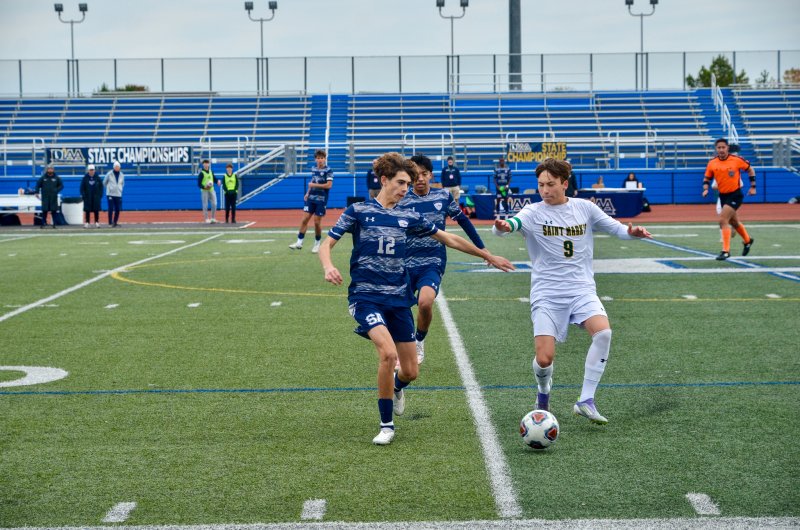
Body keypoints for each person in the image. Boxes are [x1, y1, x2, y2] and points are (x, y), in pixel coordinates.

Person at [318, 152, 514, 445]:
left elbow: (449, 238)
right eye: (401, 182)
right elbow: (327, 244)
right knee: (388, 354)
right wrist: (328, 266)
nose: (405, 189)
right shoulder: (358, 211)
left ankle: (397, 387)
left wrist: (487, 255)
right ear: (384, 180)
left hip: (399, 299)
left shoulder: (408, 216)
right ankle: (387, 425)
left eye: (408, 184)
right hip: (366, 297)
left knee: (410, 371)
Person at [493, 158, 651, 426]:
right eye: (541, 185)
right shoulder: (532, 212)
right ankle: (543, 392)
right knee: (544, 359)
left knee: (604, 333)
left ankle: (586, 400)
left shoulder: (584, 208)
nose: (545, 190)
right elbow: (512, 225)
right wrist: (503, 227)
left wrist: (632, 232)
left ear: (564, 184)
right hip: (547, 293)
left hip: (581, 289)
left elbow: (617, 229)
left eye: (550, 184)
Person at [398, 154, 486, 365]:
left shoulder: (443, 196)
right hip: (404, 261)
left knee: (425, 302)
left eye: (424, 174)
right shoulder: (402, 199)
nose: (420, 179)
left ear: (431, 175)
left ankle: (419, 341)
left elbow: (464, 221)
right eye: (416, 175)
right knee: (399, 308)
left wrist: (481, 248)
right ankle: (405, 345)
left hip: (433, 260)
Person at [702, 138, 756, 260]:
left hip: (735, 195)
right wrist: (705, 189)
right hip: (723, 196)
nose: (721, 149)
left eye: (723, 147)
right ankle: (748, 241)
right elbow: (707, 178)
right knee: (734, 222)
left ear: (727, 148)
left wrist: (753, 186)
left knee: (723, 220)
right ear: (716, 149)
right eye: (719, 147)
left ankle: (726, 251)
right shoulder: (712, 163)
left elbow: (750, 169)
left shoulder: (736, 160)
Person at [289, 149, 333, 253]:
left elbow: (329, 185)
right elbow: (313, 181)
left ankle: (317, 244)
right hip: (311, 198)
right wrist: (307, 193)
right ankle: (299, 242)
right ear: (315, 159)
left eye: (322, 158)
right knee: (304, 219)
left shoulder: (328, 170)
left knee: (317, 222)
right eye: (318, 158)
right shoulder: (313, 168)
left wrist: (314, 185)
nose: (320, 160)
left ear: (325, 159)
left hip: (321, 200)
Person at [35, 164, 63, 229]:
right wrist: (37, 192)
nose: (50, 170)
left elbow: (61, 185)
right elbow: (38, 185)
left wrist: (56, 190)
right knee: (44, 210)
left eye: (51, 169)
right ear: (47, 170)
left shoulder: (57, 178)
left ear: (53, 170)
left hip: (53, 197)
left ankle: (54, 224)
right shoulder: (43, 178)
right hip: (45, 197)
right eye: (49, 169)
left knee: (54, 211)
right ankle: (43, 223)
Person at [80, 164, 103, 228]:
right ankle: (87, 222)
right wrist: (83, 195)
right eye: (90, 170)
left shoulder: (97, 178)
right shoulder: (85, 178)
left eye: (92, 170)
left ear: (94, 170)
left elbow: (101, 187)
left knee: (96, 209)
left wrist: (100, 195)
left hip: (96, 197)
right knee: (87, 210)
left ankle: (96, 222)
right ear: (88, 170)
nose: (91, 171)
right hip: (88, 197)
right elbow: (82, 188)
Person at [197, 159, 219, 224]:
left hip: (211, 190)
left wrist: (217, 181)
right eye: (205, 163)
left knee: (214, 203)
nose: (206, 164)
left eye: (207, 163)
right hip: (204, 191)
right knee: (205, 204)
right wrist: (204, 187)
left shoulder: (211, 171)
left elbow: (214, 178)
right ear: (203, 165)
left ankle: (213, 218)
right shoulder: (201, 173)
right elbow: (199, 184)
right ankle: (206, 218)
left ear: (209, 164)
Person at [103, 161, 124, 227]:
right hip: (110, 194)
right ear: (114, 167)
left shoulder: (122, 175)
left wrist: (120, 189)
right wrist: (109, 189)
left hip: (118, 194)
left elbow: (122, 183)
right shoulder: (109, 174)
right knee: (111, 208)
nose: (117, 168)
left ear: (120, 167)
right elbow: (104, 182)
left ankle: (115, 222)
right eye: (116, 167)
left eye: (118, 167)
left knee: (118, 209)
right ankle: (110, 223)